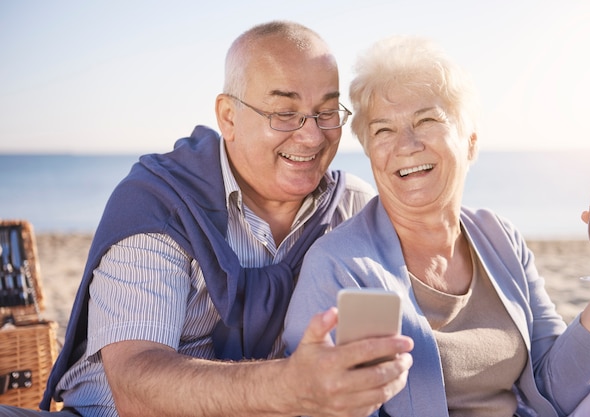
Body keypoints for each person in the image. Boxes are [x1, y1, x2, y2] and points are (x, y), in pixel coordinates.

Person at [0, 21, 415, 417]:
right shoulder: (161, 204)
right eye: (284, 113)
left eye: (326, 113)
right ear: (228, 118)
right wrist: (289, 386)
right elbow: (135, 387)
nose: (311, 136)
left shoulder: (354, 209)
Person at [282, 35, 590, 417]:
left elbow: (553, 387)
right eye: (383, 130)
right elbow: (319, 400)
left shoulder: (500, 237)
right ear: (370, 153)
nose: (406, 145)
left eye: (426, 120)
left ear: (471, 143)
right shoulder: (340, 266)